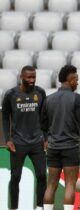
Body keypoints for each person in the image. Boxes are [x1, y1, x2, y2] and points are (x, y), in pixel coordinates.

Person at [41, 65, 80, 210]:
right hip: (70, 148)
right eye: (76, 80)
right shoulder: (77, 99)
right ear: (70, 79)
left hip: (53, 148)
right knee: (70, 185)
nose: (77, 83)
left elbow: (42, 125)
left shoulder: (48, 99)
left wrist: (46, 139)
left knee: (51, 185)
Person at [2, 66, 47, 210]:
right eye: (28, 77)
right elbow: (4, 118)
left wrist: (45, 137)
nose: (32, 80)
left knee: (41, 176)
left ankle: (40, 207)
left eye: (34, 77)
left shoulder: (40, 92)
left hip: (37, 142)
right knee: (15, 177)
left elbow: (44, 116)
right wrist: (8, 139)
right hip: (18, 142)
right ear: (21, 77)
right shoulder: (11, 94)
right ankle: (14, 208)